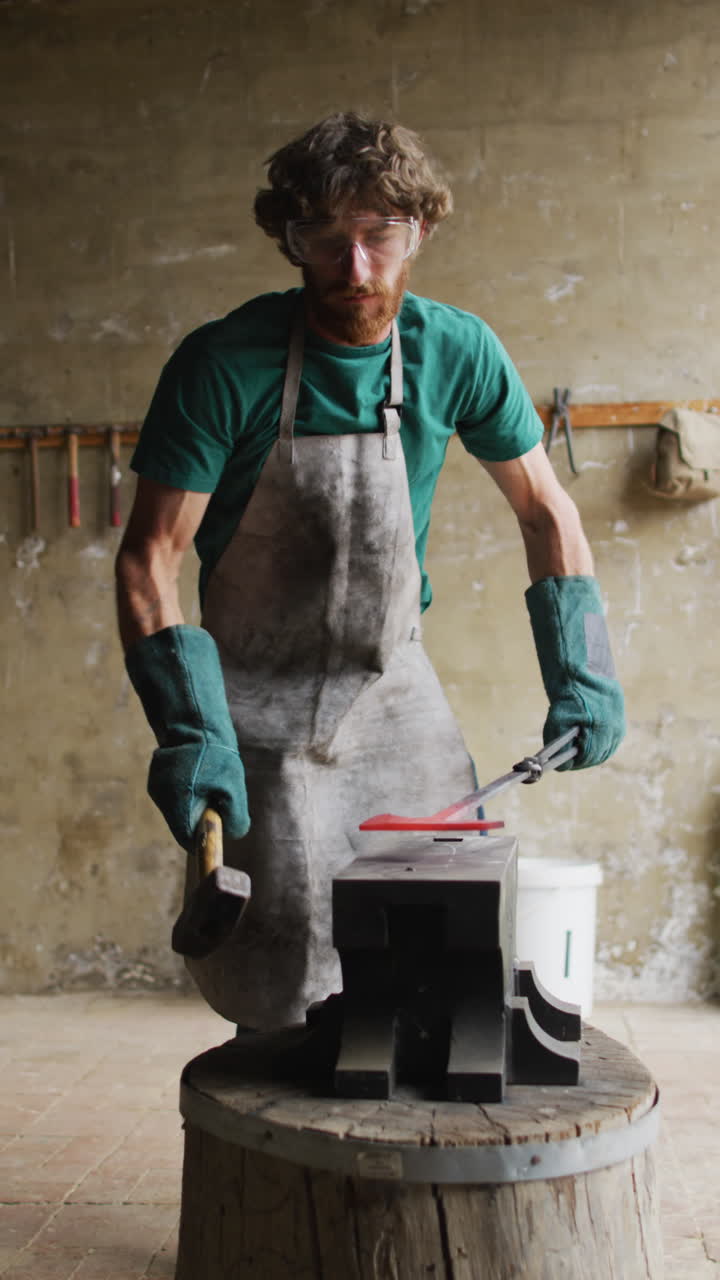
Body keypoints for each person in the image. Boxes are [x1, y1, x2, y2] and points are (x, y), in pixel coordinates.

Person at [115, 112, 625, 1031]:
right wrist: (191, 728)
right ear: (292, 241)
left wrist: (581, 670)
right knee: (282, 967)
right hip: (255, 703)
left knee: (445, 925)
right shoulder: (220, 364)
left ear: (419, 231)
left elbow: (547, 510)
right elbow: (151, 558)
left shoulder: (457, 351)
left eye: (381, 236)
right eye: (327, 239)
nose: (357, 269)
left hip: (393, 690)